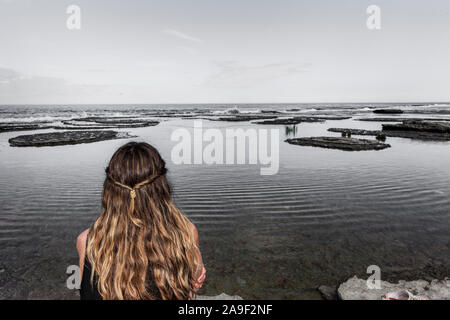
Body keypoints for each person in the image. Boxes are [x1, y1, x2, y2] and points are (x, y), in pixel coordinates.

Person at [76, 142, 206, 300]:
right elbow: (191, 290)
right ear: (162, 188)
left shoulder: (88, 242)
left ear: (110, 192)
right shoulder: (186, 233)